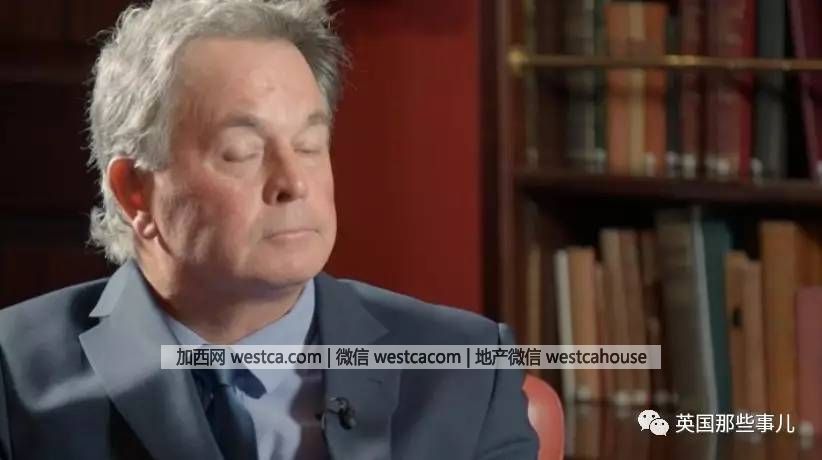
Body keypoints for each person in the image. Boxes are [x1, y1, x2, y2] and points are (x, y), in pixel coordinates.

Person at [0, 1, 538, 459]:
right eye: (243, 152)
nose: (293, 183)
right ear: (135, 192)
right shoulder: (12, 377)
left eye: (309, 146)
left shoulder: (467, 373)